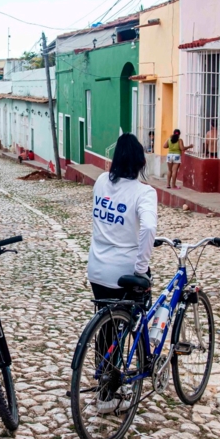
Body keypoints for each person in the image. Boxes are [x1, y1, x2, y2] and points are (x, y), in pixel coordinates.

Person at [87, 133, 158, 412]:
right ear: (140, 162)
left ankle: (104, 385)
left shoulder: (101, 182)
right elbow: (149, 228)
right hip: (124, 271)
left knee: (106, 328)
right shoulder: (143, 192)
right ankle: (111, 393)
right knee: (126, 325)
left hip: (97, 269)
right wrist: (141, 267)